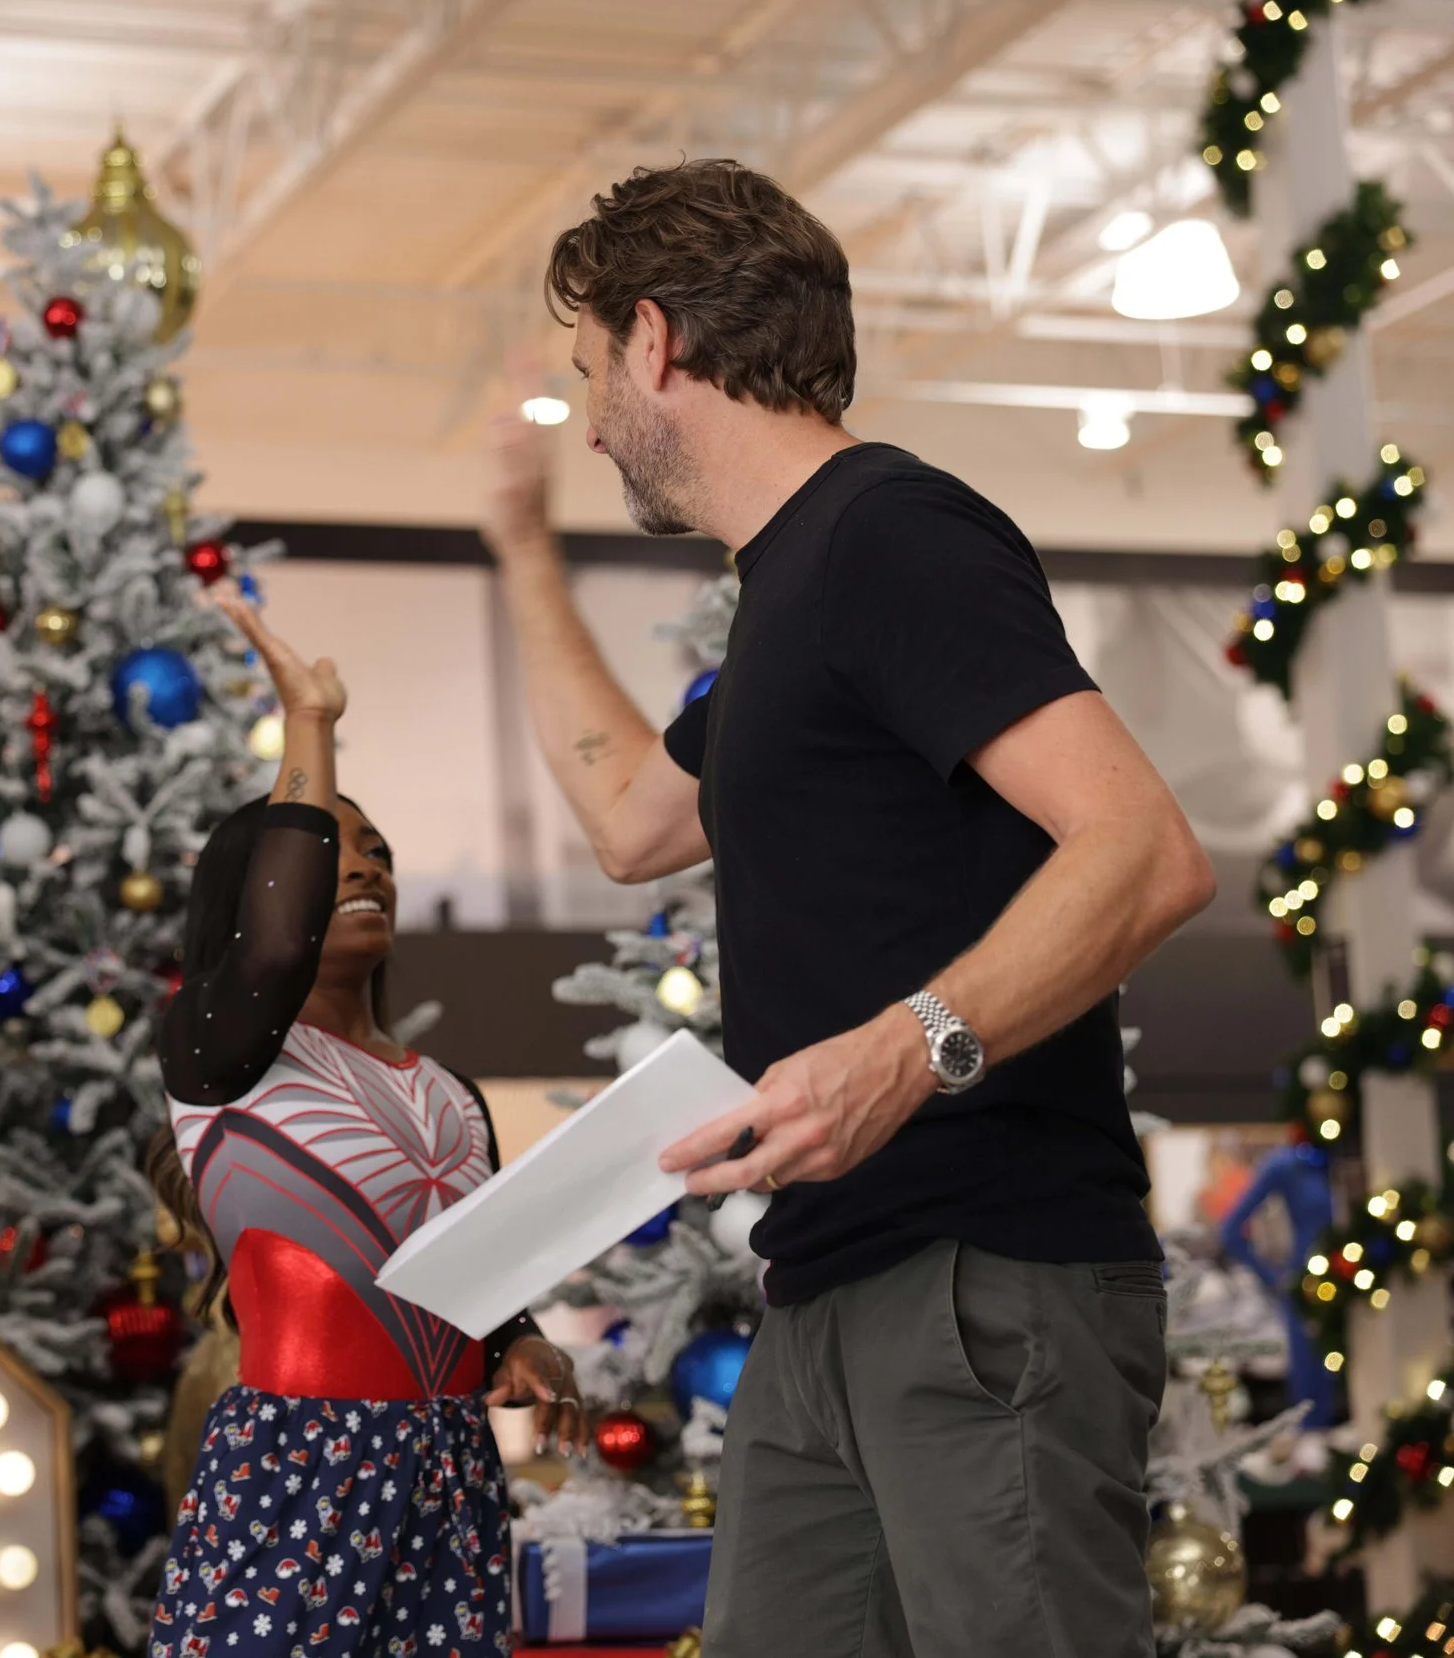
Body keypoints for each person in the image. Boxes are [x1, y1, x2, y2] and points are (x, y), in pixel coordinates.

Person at [479, 160, 1216, 1658]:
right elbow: (632, 819)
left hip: (979, 1271)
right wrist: (519, 550)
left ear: (659, 338)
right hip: (828, 1286)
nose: (595, 413)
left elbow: (1143, 847)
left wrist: (910, 1043)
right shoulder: (789, 593)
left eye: (590, 371)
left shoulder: (889, 532)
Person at [145, 583, 580, 1658]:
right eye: (329, 851)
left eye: (378, 848)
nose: (367, 865)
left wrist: (520, 1344)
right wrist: (310, 726)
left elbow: (468, 1276)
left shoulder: (448, 1090)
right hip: (296, 1468)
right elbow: (275, 945)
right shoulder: (216, 1054)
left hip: (451, 1472)